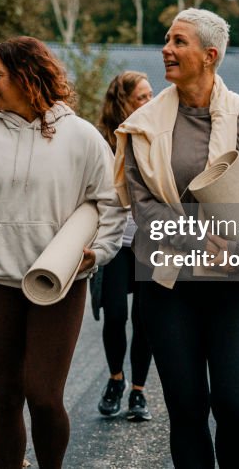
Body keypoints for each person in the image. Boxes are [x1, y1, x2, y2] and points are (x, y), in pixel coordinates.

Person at [0, 36, 125, 469]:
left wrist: (100, 251)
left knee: (43, 395)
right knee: (4, 394)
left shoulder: (81, 137)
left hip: (59, 285)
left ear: (25, 77)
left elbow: (111, 202)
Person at [116, 8, 239, 468]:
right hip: (168, 284)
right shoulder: (144, 123)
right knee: (187, 411)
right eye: (167, 39)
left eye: (178, 42)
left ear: (209, 55)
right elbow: (144, 202)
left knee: (235, 408)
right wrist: (195, 240)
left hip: (238, 287)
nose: (166, 50)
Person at [93, 71, 155, 421]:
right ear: (122, 102)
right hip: (115, 240)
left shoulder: (157, 134)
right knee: (114, 313)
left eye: (150, 96)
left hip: (149, 240)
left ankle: (138, 393)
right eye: (141, 98)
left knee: (144, 318)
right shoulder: (103, 139)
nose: (149, 102)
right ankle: (116, 379)